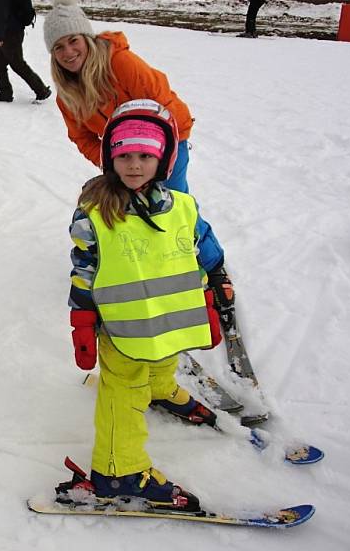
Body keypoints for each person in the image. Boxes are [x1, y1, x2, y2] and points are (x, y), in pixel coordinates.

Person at [59, 99, 227, 512]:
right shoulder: (96, 212)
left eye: (145, 156)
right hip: (122, 329)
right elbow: (84, 269)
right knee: (122, 393)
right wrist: (82, 321)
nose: (135, 165)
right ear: (110, 157)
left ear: (164, 158)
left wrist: (215, 281)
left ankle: (160, 389)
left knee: (162, 358)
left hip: (167, 322)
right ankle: (118, 471)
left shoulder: (183, 206)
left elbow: (197, 247)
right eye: (125, 155)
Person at [43, 0, 233, 325]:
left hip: (168, 144)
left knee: (177, 208)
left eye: (73, 41)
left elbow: (164, 108)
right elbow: (82, 137)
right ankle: (155, 264)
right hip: (125, 159)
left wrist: (156, 163)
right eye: (58, 47)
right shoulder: (67, 94)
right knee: (133, 210)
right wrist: (112, 165)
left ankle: (213, 266)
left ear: (85, 38)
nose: (68, 52)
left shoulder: (120, 63)